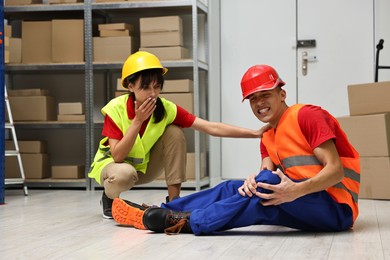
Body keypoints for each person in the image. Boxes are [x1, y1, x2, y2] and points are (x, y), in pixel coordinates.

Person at [111, 64, 360, 235]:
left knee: (261, 190)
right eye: (253, 98)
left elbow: (336, 171)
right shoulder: (268, 135)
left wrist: (293, 190)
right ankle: (163, 211)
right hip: (299, 201)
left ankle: (186, 222)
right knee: (237, 187)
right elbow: (265, 173)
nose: (259, 103)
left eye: (265, 95)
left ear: (282, 93)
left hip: (335, 207)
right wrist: (252, 181)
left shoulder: (307, 116)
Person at [88, 51, 265, 219]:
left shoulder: (165, 108)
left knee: (174, 132)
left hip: (142, 169)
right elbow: (118, 156)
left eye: (157, 87)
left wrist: (254, 133)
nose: (153, 93)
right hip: (114, 168)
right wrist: (137, 121)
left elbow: (211, 127)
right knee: (123, 174)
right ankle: (109, 199)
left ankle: (174, 202)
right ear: (130, 86)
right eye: (145, 87)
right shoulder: (115, 108)